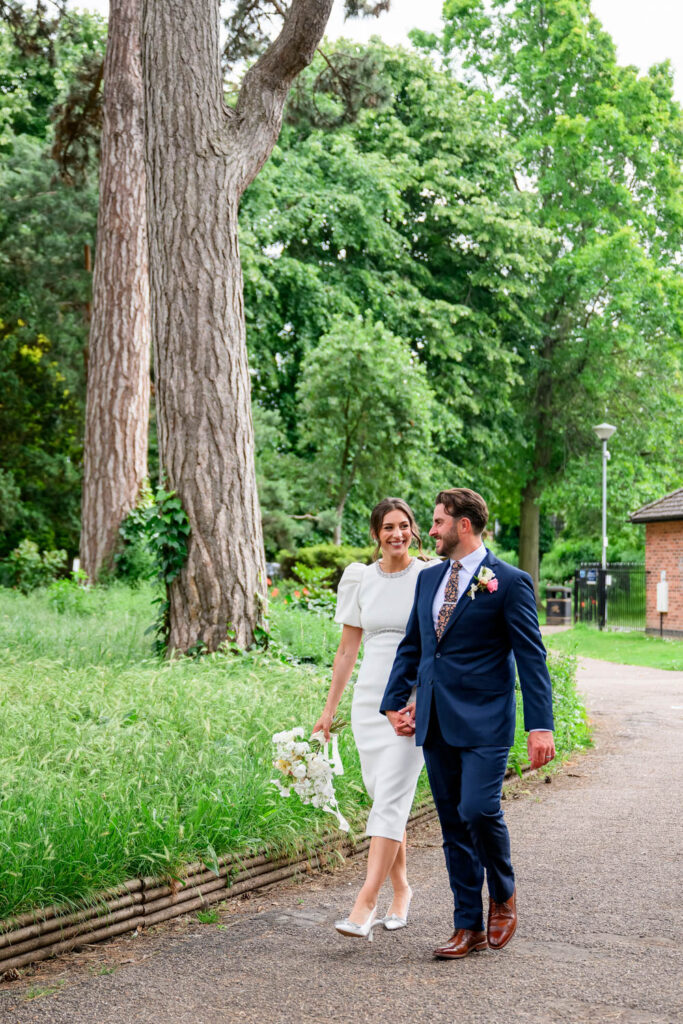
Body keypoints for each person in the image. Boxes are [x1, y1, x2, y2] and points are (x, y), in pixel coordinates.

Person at [380, 488, 555, 959]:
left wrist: (541, 726)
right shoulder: (428, 579)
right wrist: (394, 702)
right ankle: (467, 926)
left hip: (486, 721)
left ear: (463, 525)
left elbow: (531, 659)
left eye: (437, 522)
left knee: (479, 810)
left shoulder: (509, 582)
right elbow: (415, 647)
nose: (429, 530)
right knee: (453, 827)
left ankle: (502, 892)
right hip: (436, 721)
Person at [312, 498, 439, 941]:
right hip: (368, 704)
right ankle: (402, 888)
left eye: (404, 526)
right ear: (375, 533)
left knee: (389, 800)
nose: (397, 534)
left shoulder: (429, 575)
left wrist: (422, 698)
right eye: (388, 527)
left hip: (410, 703)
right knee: (384, 799)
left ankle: (364, 904)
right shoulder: (359, 578)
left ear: (414, 530)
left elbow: (437, 644)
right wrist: (328, 712)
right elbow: (347, 651)